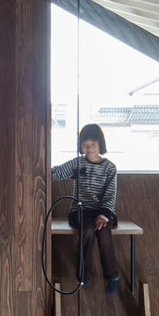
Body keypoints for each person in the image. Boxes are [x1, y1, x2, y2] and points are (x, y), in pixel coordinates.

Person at [52, 123, 120, 294]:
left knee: (104, 233)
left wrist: (104, 215)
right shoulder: (78, 163)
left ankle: (112, 276)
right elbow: (56, 173)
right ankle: (83, 274)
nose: (89, 148)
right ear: (80, 145)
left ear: (100, 145)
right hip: (80, 211)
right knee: (88, 230)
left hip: (103, 211)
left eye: (93, 144)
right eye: (85, 144)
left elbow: (110, 194)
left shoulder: (109, 167)